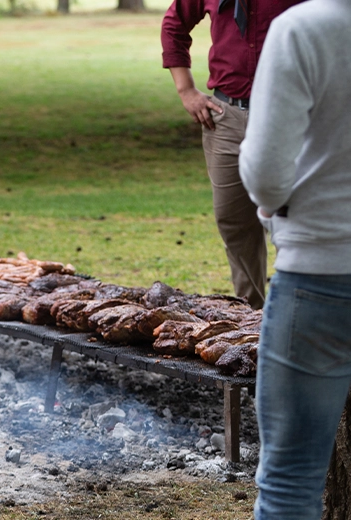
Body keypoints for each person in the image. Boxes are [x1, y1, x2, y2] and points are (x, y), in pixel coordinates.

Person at [238, 1, 351, 517]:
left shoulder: (305, 28)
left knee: (291, 481)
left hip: (320, 278)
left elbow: (265, 173)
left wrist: (269, 207)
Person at [160, 0, 302, 309]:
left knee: (293, 218)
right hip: (225, 117)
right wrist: (186, 90)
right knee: (234, 223)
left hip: (287, 117)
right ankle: (252, 318)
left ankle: (298, 311)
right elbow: (174, 25)